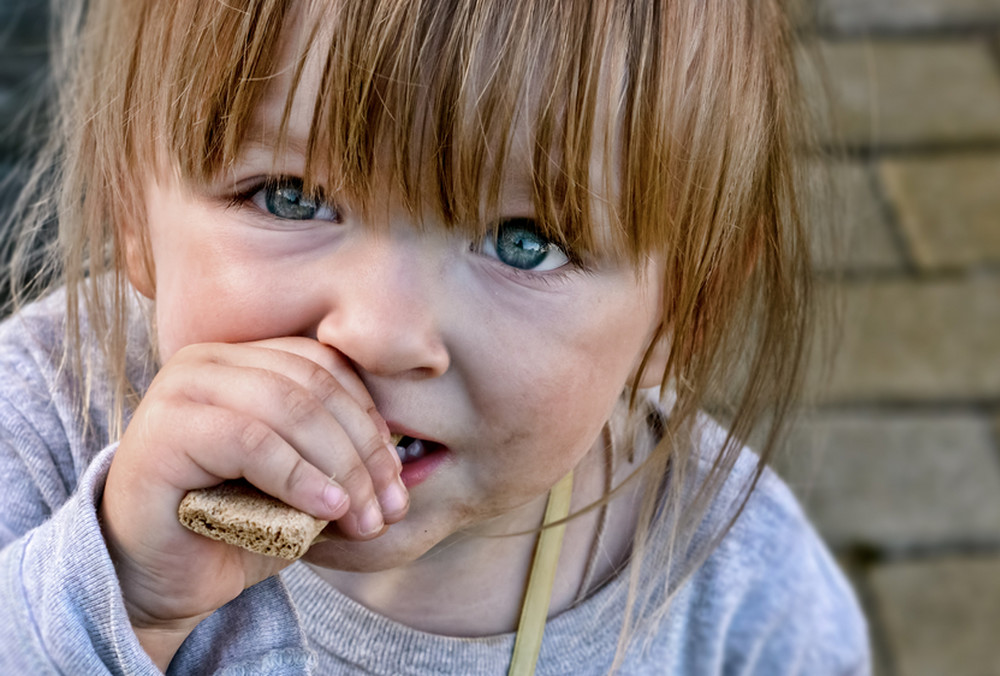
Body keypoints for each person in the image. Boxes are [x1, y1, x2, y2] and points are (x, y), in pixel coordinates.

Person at [0, 0, 869, 673]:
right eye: (289, 197)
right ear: (132, 213)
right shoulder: (42, 422)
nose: (379, 333)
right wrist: (120, 594)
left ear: (687, 305)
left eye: (525, 242)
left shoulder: (746, 601)